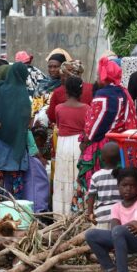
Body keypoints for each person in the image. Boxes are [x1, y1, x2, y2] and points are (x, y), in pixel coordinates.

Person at [77, 57, 137, 198]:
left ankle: (94, 210)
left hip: (102, 146)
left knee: (98, 182)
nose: (97, 78)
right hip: (120, 145)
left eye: (99, 75)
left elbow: (95, 125)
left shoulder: (102, 95)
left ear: (105, 77)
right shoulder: (123, 92)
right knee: (117, 182)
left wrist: (86, 140)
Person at [0, 62, 31, 200]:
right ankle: (16, 213)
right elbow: (26, 121)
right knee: (16, 185)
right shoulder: (23, 94)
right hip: (16, 144)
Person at [52, 76, 90, 214]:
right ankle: (78, 212)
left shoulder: (58, 108)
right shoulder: (87, 108)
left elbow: (58, 125)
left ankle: (61, 213)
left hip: (63, 145)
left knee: (63, 177)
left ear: (66, 90)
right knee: (78, 177)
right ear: (81, 91)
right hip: (79, 145)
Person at [87, 142, 121, 230]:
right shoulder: (122, 174)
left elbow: (91, 195)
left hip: (102, 216)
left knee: (103, 240)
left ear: (101, 158)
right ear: (119, 158)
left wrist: (89, 212)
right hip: (120, 215)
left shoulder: (96, 176)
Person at [32, 53, 67, 124]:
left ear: (63, 68)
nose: (52, 70)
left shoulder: (66, 85)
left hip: (58, 124)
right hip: (40, 126)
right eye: (50, 67)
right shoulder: (42, 84)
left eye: (56, 67)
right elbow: (34, 106)